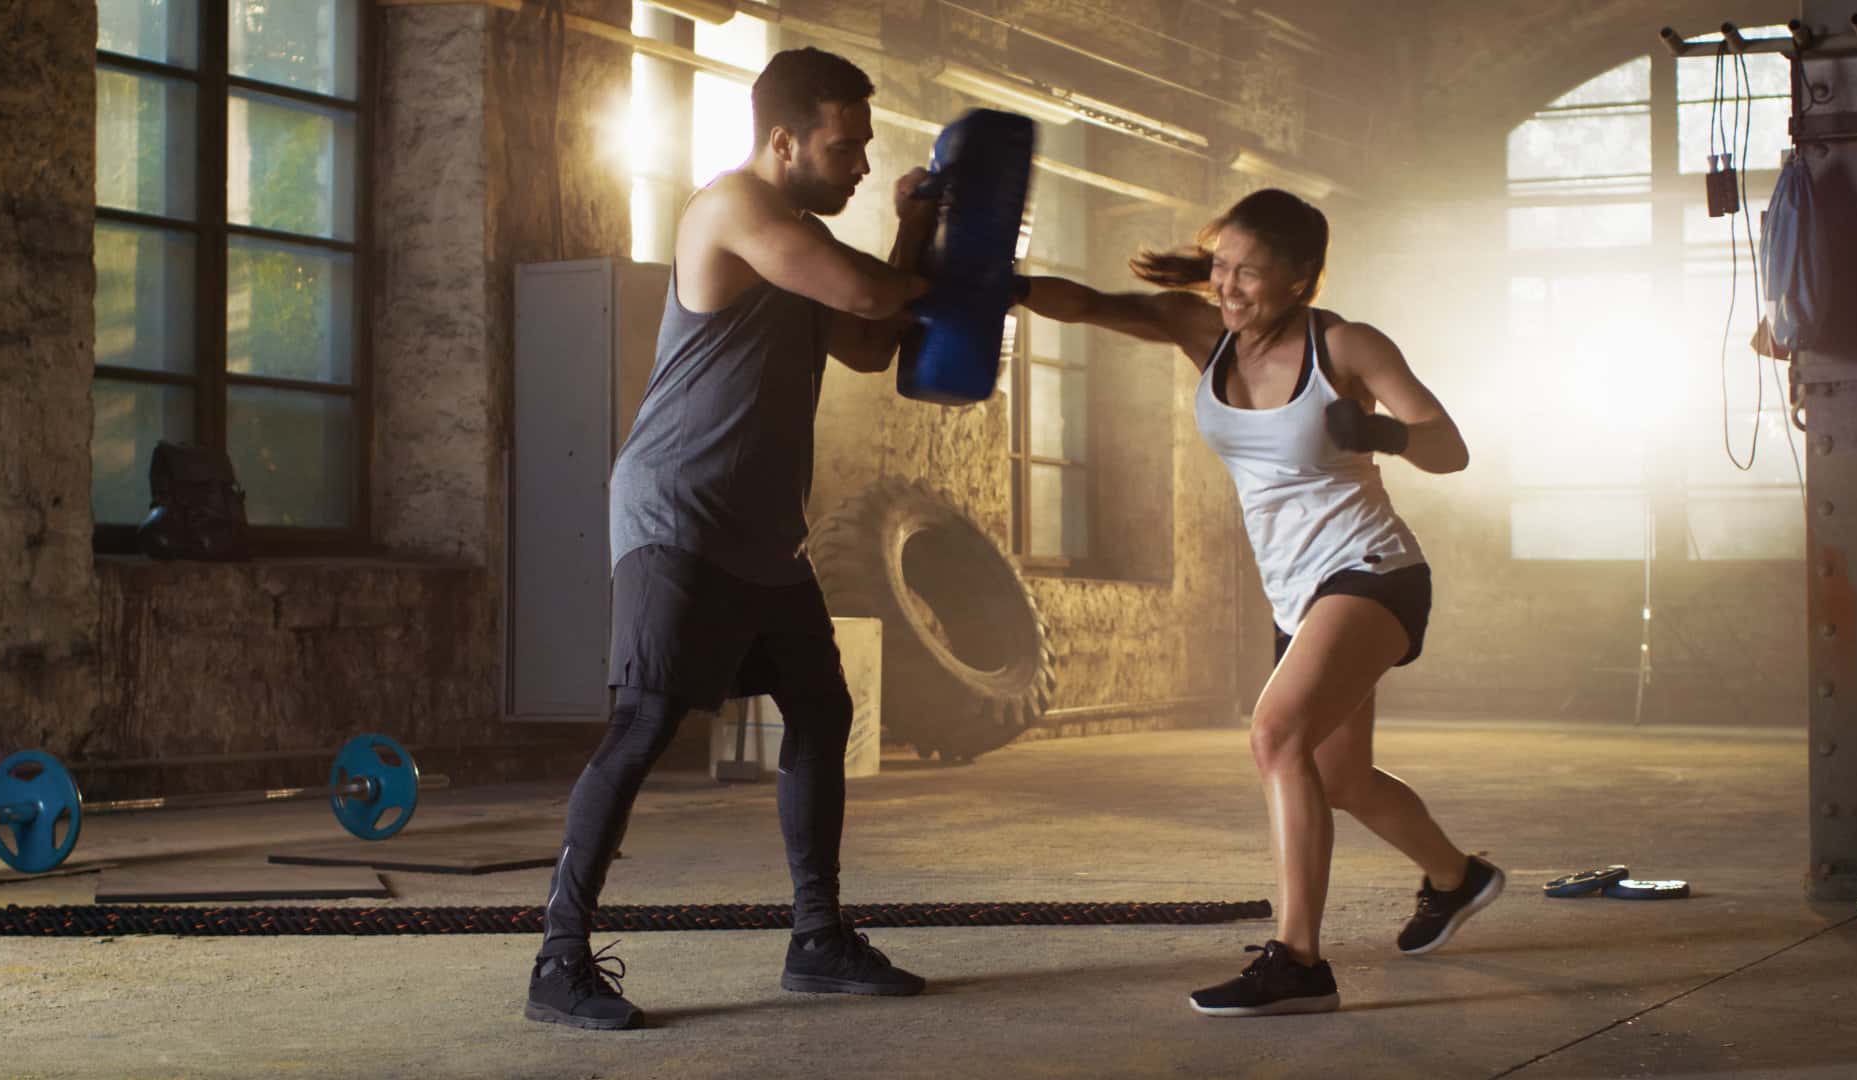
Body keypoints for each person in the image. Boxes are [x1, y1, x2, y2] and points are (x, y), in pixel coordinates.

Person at [525, 47, 937, 1031]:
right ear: (783, 140)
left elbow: (872, 340)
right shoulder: (734, 208)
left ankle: (817, 940)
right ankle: (558, 962)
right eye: (846, 147)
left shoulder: (797, 243)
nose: (861, 167)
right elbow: (881, 299)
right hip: (680, 514)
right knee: (647, 723)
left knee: (822, 708)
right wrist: (972, 266)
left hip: (759, 531)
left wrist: (921, 224)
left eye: (867, 149)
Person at [1016, 188, 1503, 1017]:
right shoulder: (1204, 333)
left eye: (1249, 273)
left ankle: (1298, 960)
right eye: (1220, 267)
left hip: (1372, 570)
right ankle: (1460, 878)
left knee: (1274, 735)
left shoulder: (1344, 344)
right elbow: (1094, 305)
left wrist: (1380, 433)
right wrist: (1003, 282)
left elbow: (1449, 447)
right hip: (1297, 591)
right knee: (1338, 777)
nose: (1228, 288)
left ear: (1300, 280)